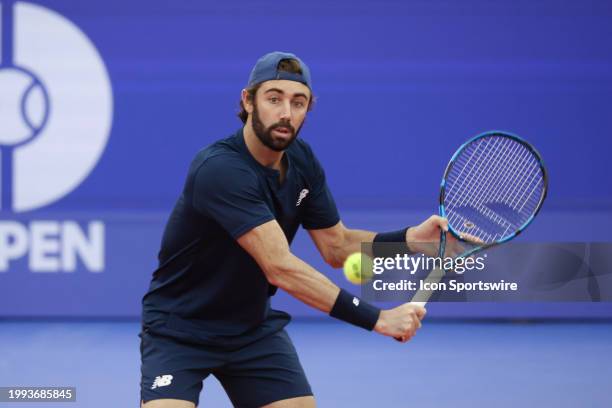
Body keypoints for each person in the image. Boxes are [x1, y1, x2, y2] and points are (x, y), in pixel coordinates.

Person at [140, 51, 456, 408]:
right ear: (248, 100)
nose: (286, 113)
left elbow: (337, 247)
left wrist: (409, 240)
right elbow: (280, 267)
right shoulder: (220, 169)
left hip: (251, 330)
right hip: (180, 330)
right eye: (274, 99)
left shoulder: (302, 161)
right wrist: (378, 319)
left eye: (298, 102)